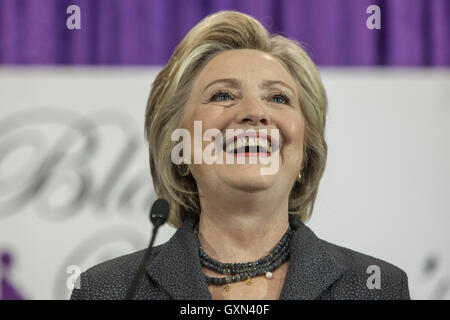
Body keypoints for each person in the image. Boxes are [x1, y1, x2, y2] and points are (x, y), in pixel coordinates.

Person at [70, 10, 410, 300]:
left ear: (306, 154)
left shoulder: (376, 286)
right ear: (181, 148)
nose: (254, 112)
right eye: (222, 95)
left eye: (278, 98)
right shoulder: (107, 289)